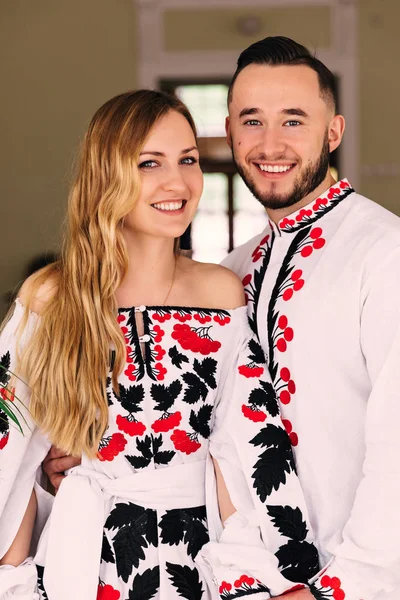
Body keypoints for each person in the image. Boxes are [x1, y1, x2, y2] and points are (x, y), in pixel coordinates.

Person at [0, 90, 319, 600]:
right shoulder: (49, 297)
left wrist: (270, 580)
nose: (178, 182)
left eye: (188, 159)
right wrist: (12, 584)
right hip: (82, 565)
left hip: (201, 564)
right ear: (108, 175)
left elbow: (247, 446)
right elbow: (9, 458)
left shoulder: (220, 294)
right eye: (150, 162)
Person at [220, 36, 400, 600]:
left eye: (293, 121)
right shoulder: (230, 271)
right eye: (252, 121)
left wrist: (340, 587)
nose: (270, 143)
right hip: (246, 580)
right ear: (229, 134)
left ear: (334, 132)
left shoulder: (384, 253)